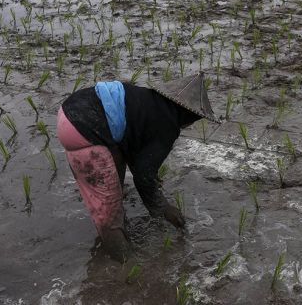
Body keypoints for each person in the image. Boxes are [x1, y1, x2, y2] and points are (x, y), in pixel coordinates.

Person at [56, 72, 219, 262]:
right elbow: (143, 177)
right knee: (108, 212)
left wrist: (149, 176)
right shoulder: (167, 126)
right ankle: (125, 270)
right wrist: (163, 208)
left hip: (71, 110)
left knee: (117, 169)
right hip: (85, 128)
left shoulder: (149, 100)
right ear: (189, 116)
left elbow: (135, 148)